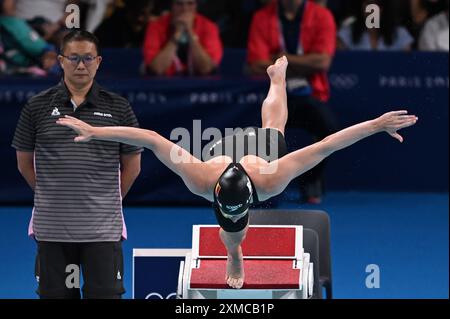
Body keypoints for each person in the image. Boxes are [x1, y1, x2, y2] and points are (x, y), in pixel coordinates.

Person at [57, 56, 418, 289]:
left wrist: (375, 125)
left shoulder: (232, 177)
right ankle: (235, 252)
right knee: (273, 129)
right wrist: (96, 132)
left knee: (274, 129)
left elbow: (326, 145)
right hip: (234, 158)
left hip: (238, 159)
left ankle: (278, 78)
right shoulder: (225, 178)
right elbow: (150, 137)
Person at [12, 30, 143, 299]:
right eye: (73, 58)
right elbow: (24, 164)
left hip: (103, 230)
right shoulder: (36, 107)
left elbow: (132, 166)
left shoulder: (119, 108)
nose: (80, 65)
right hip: (52, 229)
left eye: (87, 58)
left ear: (99, 61)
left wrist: (107, 200)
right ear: (61, 61)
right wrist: (52, 195)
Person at [247, 0, 339, 204]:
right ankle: (260, 186)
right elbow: (256, 64)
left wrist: (282, 60)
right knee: (253, 133)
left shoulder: (322, 16)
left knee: (329, 128)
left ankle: (310, 179)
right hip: (268, 93)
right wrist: (305, 62)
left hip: (310, 94)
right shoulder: (262, 17)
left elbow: (322, 62)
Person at [143, 0, 223, 76]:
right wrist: (178, 32)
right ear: (172, 6)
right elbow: (157, 69)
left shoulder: (209, 27)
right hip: (164, 85)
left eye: (190, 3)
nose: (185, 9)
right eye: (179, 4)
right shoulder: (155, 27)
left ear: (196, 6)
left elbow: (206, 69)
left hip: (200, 87)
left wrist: (190, 32)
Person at [337, 0, 414, 51]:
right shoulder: (346, 34)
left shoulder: (401, 34)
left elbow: (407, 67)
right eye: (368, 3)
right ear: (361, 6)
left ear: (384, 7)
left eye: (377, 4)